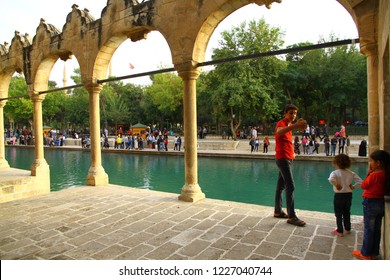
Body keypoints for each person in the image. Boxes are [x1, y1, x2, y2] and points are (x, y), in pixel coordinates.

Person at [352, 150, 390, 260]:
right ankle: (374, 251)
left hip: (370, 203)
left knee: (368, 229)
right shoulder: (385, 174)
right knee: (376, 229)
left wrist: (369, 173)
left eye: (371, 161)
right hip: (380, 202)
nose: (370, 163)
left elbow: (364, 185)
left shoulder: (374, 175)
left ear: (378, 163)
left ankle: (365, 253)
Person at [273, 104, 307, 227]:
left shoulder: (288, 126)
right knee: (290, 186)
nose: (293, 115)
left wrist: (292, 153)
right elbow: (279, 132)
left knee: (280, 186)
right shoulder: (281, 123)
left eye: (295, 113)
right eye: (291, 113)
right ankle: (292, 216)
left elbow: (286, 141)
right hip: (283, 159)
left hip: (286, 158)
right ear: (285, 113)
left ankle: (278, 211)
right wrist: (296, 125)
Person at [328, 154, 362, 237]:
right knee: (347, 211)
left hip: (339, 195)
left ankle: (339, 230)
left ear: (336, 163)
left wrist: (336, 184)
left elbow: (331, 179)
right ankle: (347, 228)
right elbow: (360, 182)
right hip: (348, 195)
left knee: (338, 213)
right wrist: (353, 187)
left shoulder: (335, 173)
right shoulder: (351, 173)